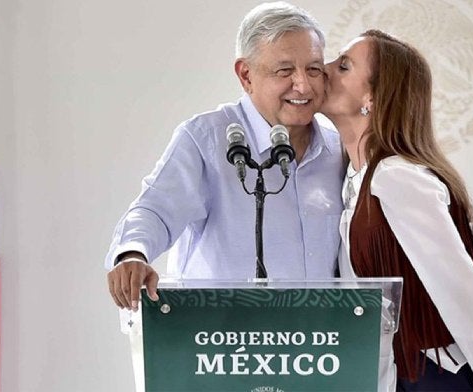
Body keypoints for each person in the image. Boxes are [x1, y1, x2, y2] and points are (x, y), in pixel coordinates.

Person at [106, 2, 344, 311]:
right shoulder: (206, 138)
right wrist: (131, 254)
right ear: (246, 75)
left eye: (314, 69)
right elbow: (154, 211)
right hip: (221, 346)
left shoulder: (338, 149)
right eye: (284, 71)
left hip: (319, 348)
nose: (303, 84)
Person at [321, 30, 473, 391]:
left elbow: (460, 289)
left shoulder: (396, 177)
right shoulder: (353, 179)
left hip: (435, 378)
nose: (325, 68)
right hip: (397, 377)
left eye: (344, 65)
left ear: (372, 97)